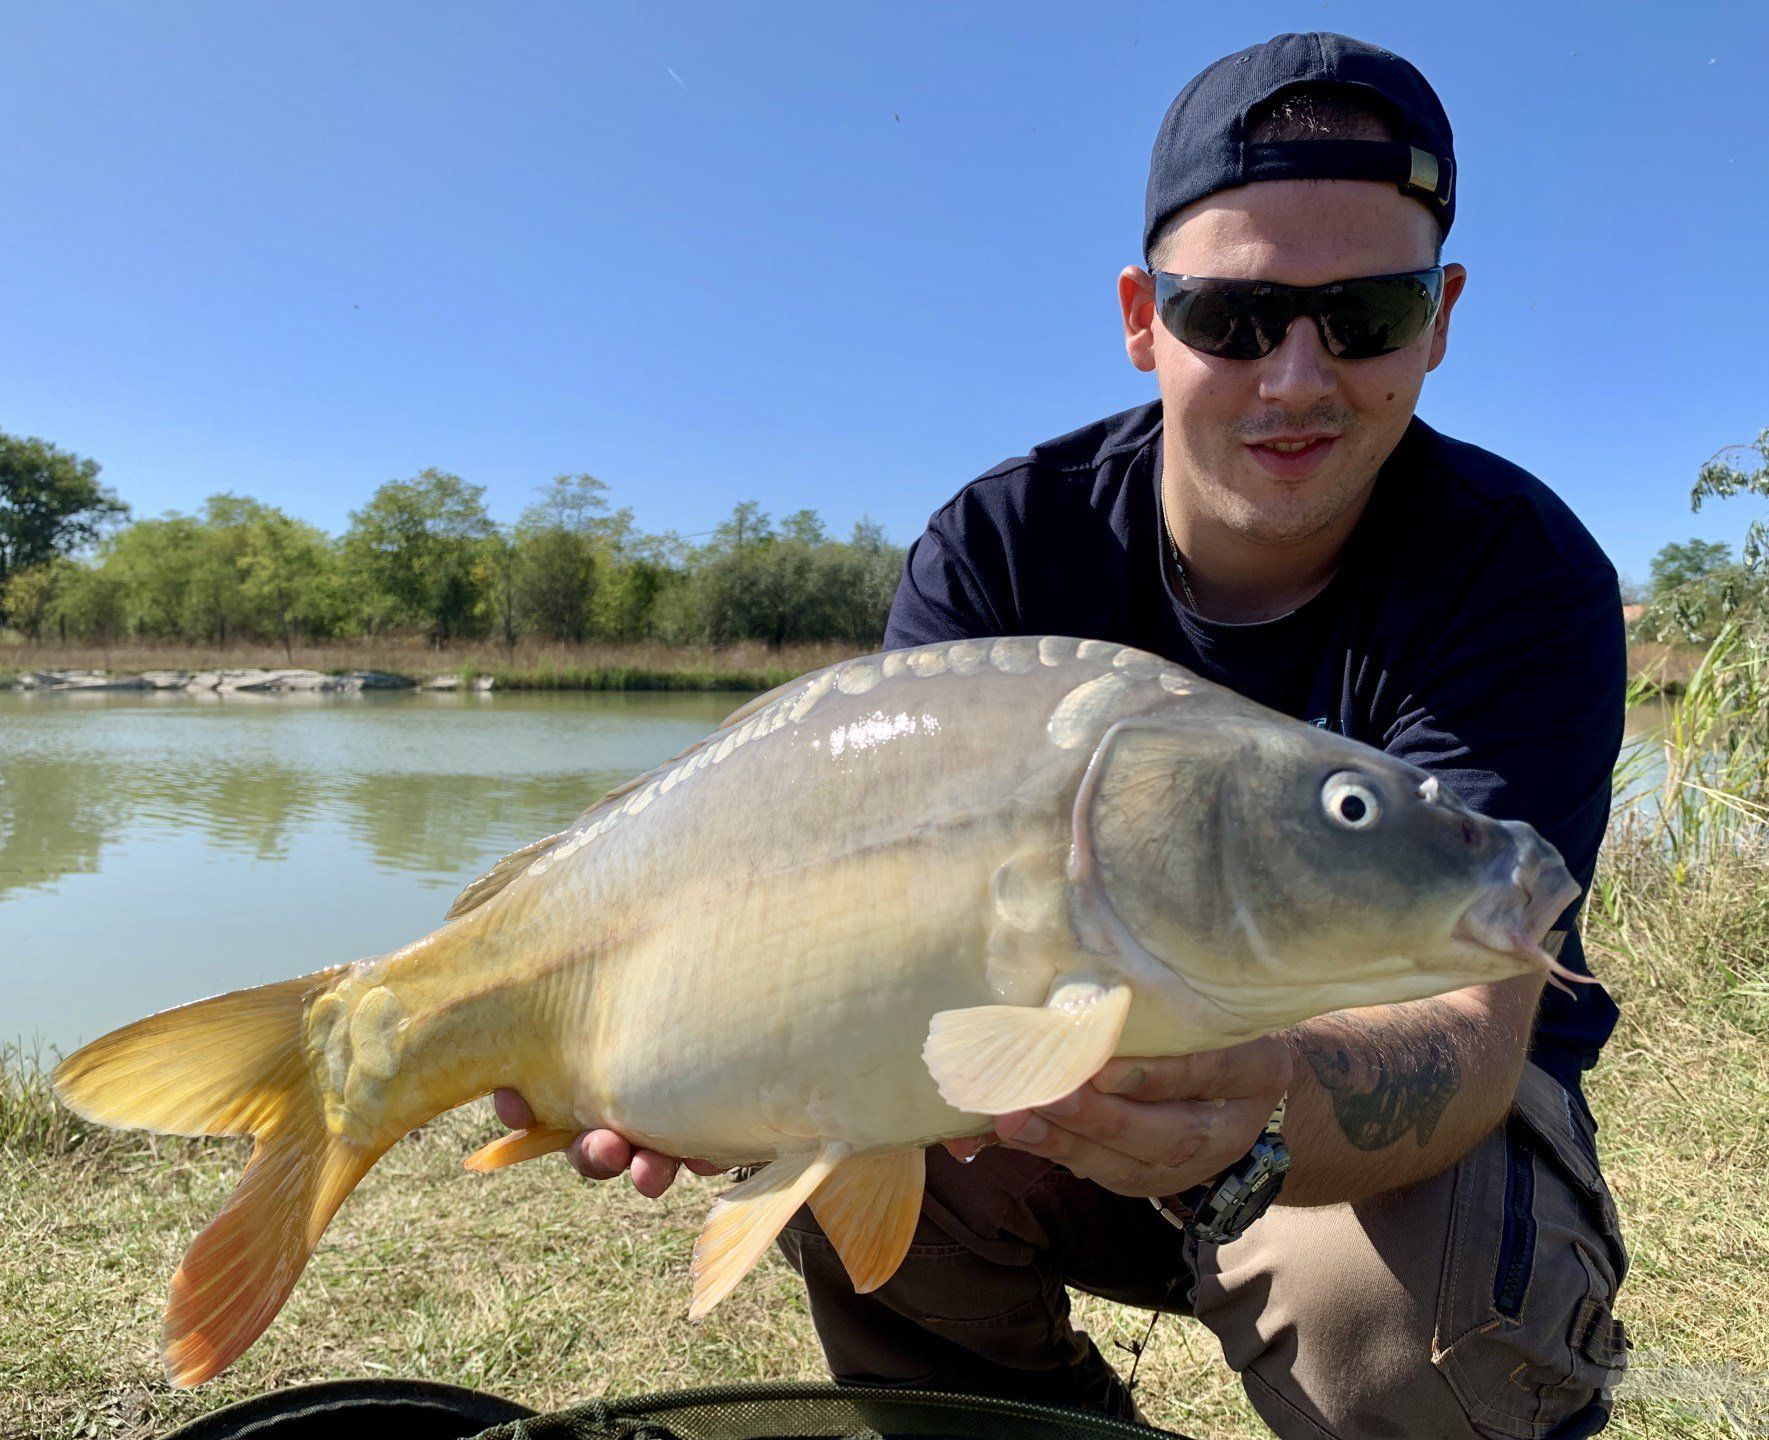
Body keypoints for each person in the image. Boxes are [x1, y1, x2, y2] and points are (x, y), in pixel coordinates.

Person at [496, 33, 1630, 1440]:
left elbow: (1474, 1023)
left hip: (1345, 1139)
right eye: (1230, 315)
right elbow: (864, 937)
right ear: (1143, 316)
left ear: (1442, 314)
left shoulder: (1516, 575)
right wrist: (719, 1058)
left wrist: (1260, 1095)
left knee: (1423, 1350)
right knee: (871, 1163)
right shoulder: (997, 551)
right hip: (1034, 1113)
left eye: (1368, 312)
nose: (1294, 377)